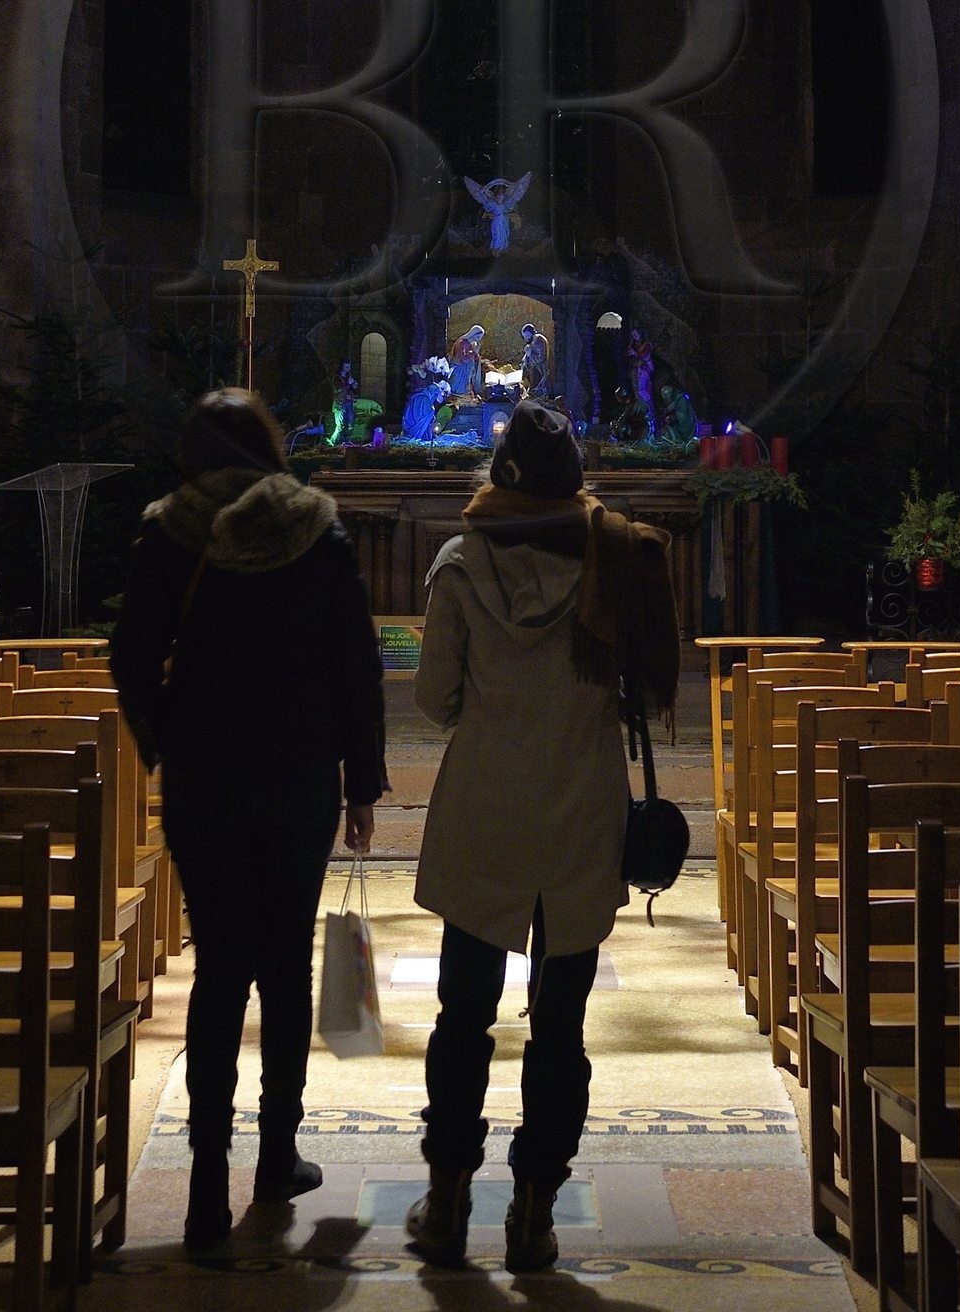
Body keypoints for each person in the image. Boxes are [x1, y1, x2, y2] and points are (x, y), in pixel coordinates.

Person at [407, 400, 681, 1274]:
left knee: (463, 1016)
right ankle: (535, 1213)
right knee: (561, 1030)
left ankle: (447, 1202)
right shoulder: (615, 559)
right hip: (579, 817)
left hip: (485, 814)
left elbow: (433, 700)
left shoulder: (458, 565)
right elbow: (645, 687)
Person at [111, 388, 386, 1251]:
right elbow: (356, 661)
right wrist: (362, 782)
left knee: (220, 966)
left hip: (206, 776)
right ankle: (276, 1156)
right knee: (283, 966)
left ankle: (203, 1183)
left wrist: (163, 738)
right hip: (299, 772)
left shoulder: (171, 529)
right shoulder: (316, 529)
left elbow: (129, 650)